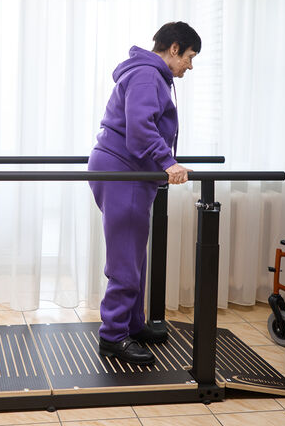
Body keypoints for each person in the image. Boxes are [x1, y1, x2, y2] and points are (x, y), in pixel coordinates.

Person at [88, 21, 201, 365]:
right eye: (189, 57)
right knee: (126, 256)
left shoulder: (150, 74)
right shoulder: (148, 75)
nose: (189, 66)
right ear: (174, 48)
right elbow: (139, 129)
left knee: (134, 253)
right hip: (124, 170)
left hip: (127, 169)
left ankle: (132, 324)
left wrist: (165, 162)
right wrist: (168, 162)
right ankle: (113, 337)